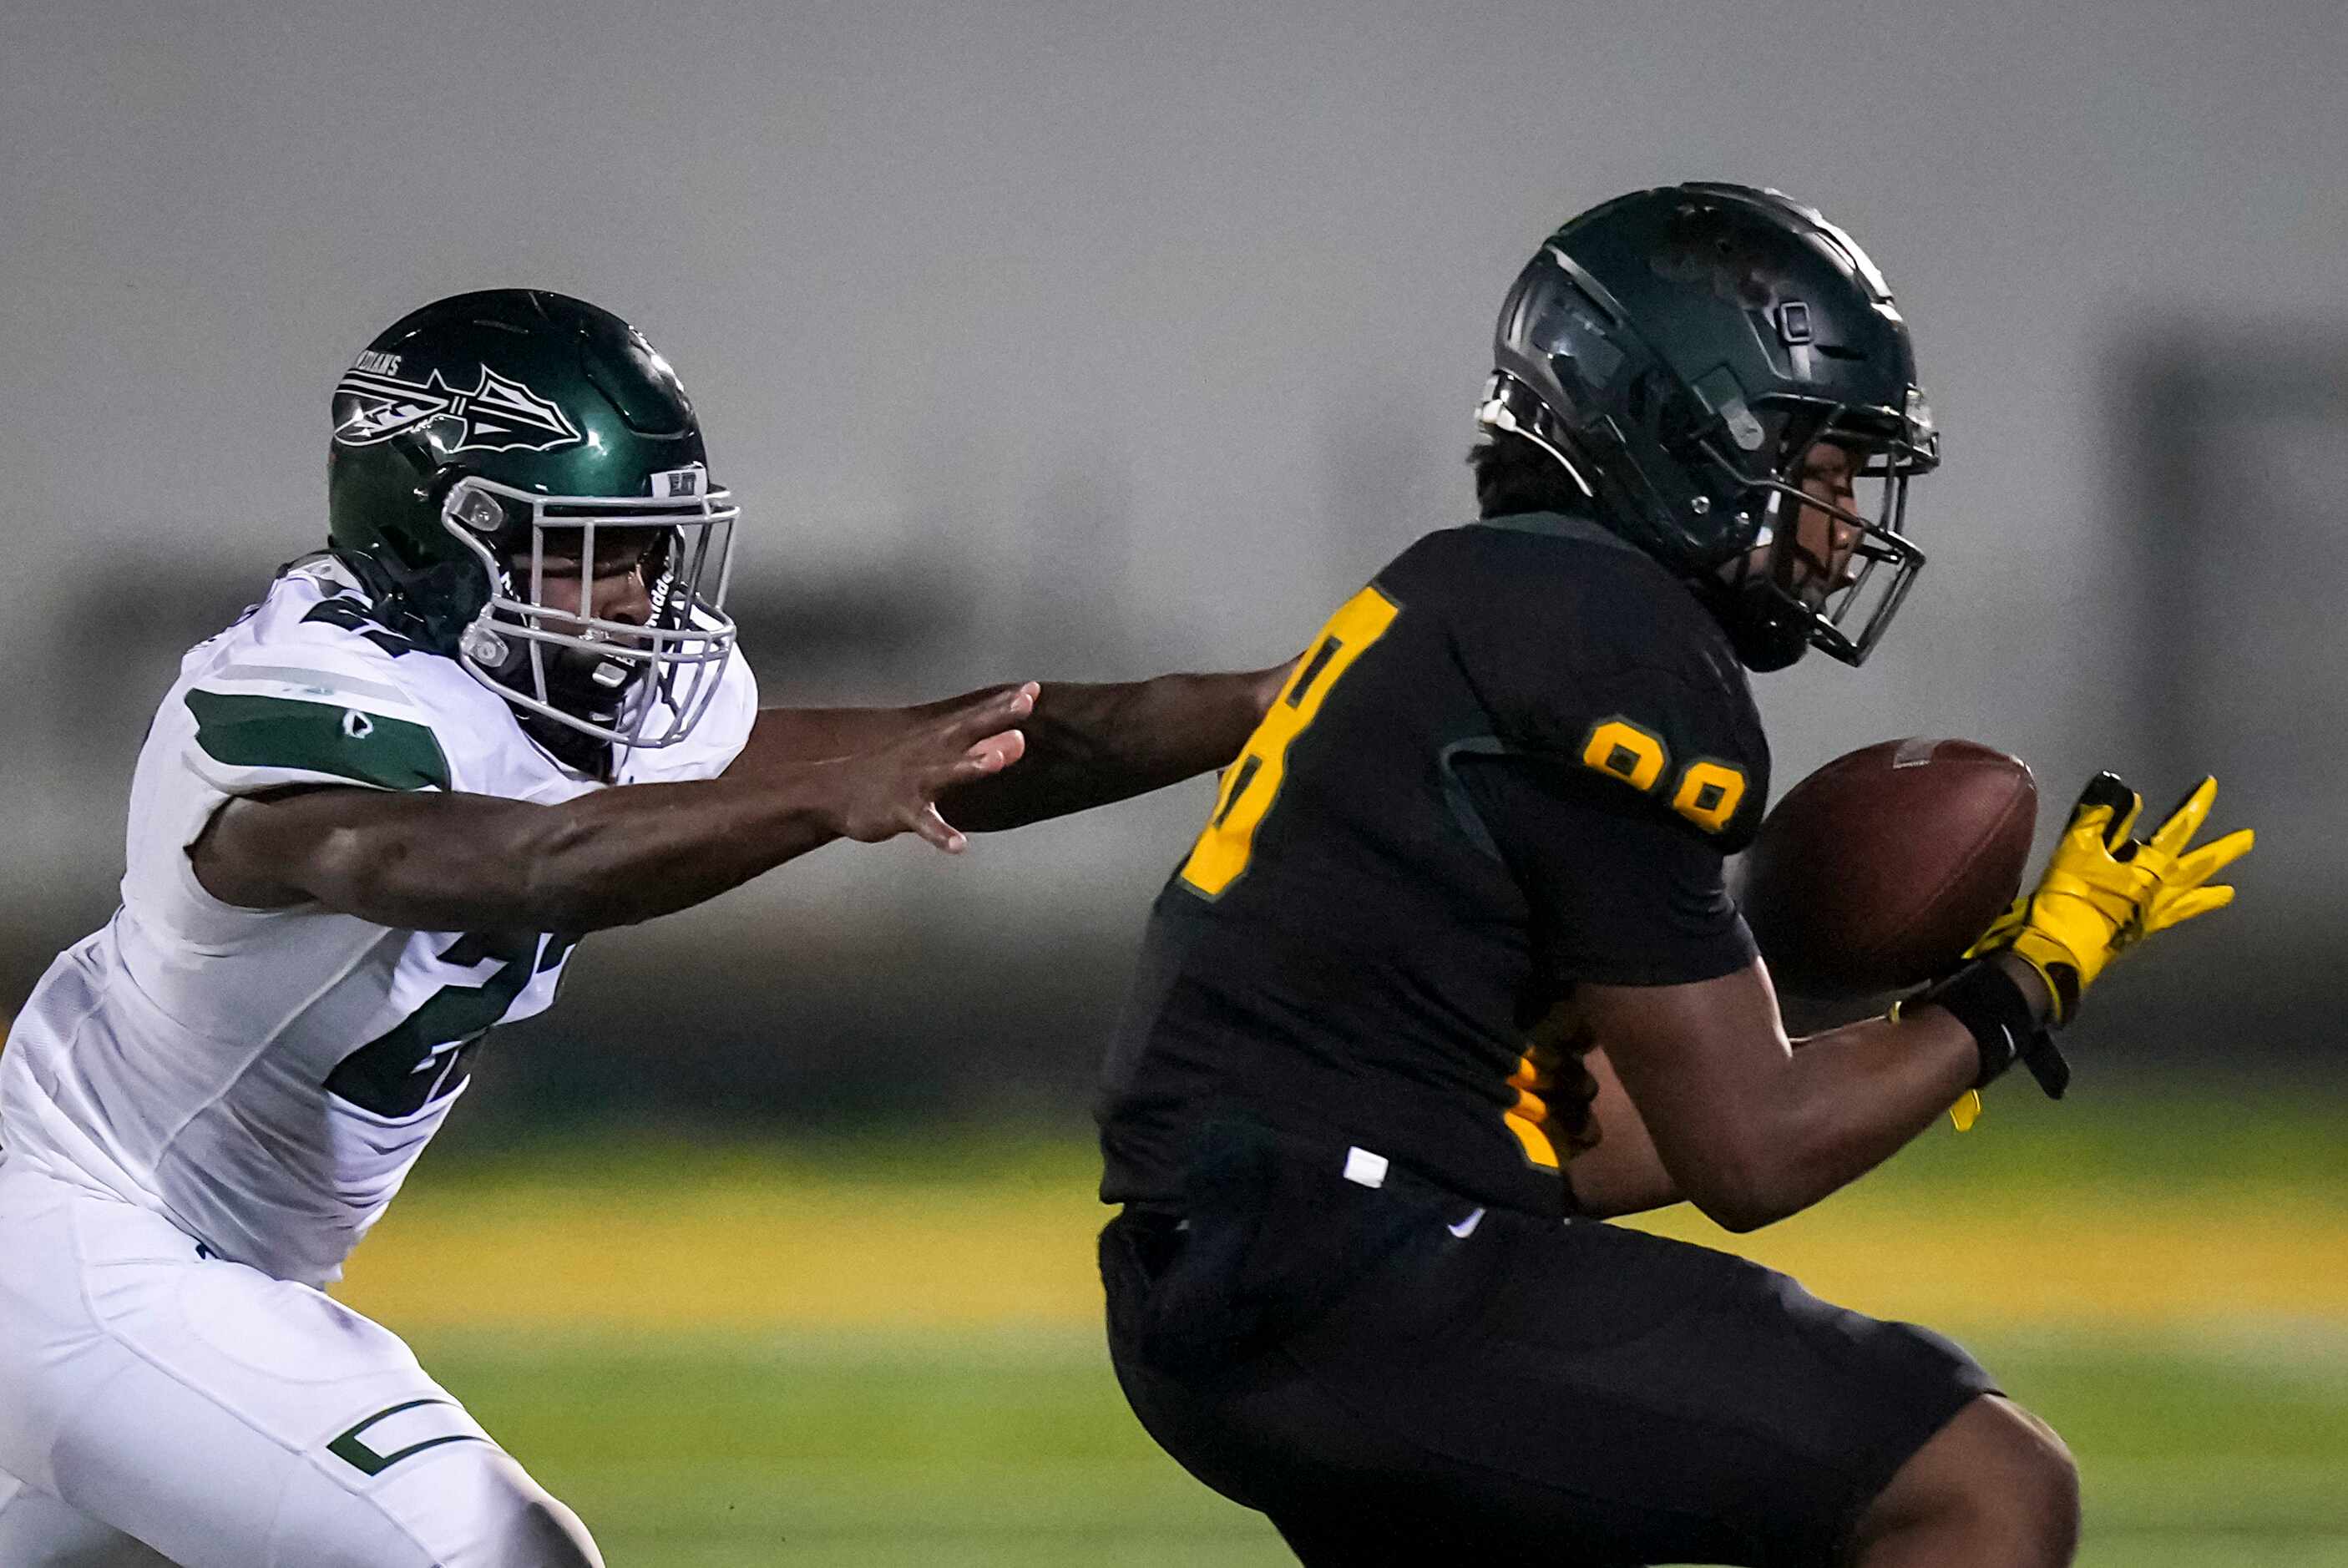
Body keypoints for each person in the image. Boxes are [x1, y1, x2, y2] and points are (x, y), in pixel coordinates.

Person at [0, 288, 1289, 1567]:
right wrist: (818, 802)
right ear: (443, 535)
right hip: (88, 1240)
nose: (634, 594)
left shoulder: (547, 686)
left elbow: (967, 743)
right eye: (589, 549)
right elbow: (517, 862)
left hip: (205, 1268)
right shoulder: (295, 700)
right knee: (487, 1547)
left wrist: (1288, 698)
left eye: (648, 549)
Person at [1094, 184, 2252, 1566]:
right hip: (1356, 1269)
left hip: (1250, 1265)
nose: (1835, 531)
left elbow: (1597, 1139)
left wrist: (1902, 1039)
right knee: (1985, 1483)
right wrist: (2020, 989)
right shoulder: (1612, 643)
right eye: (1818, 468)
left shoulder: (1480, 594)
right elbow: (1750, 1153)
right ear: (1680, 432)